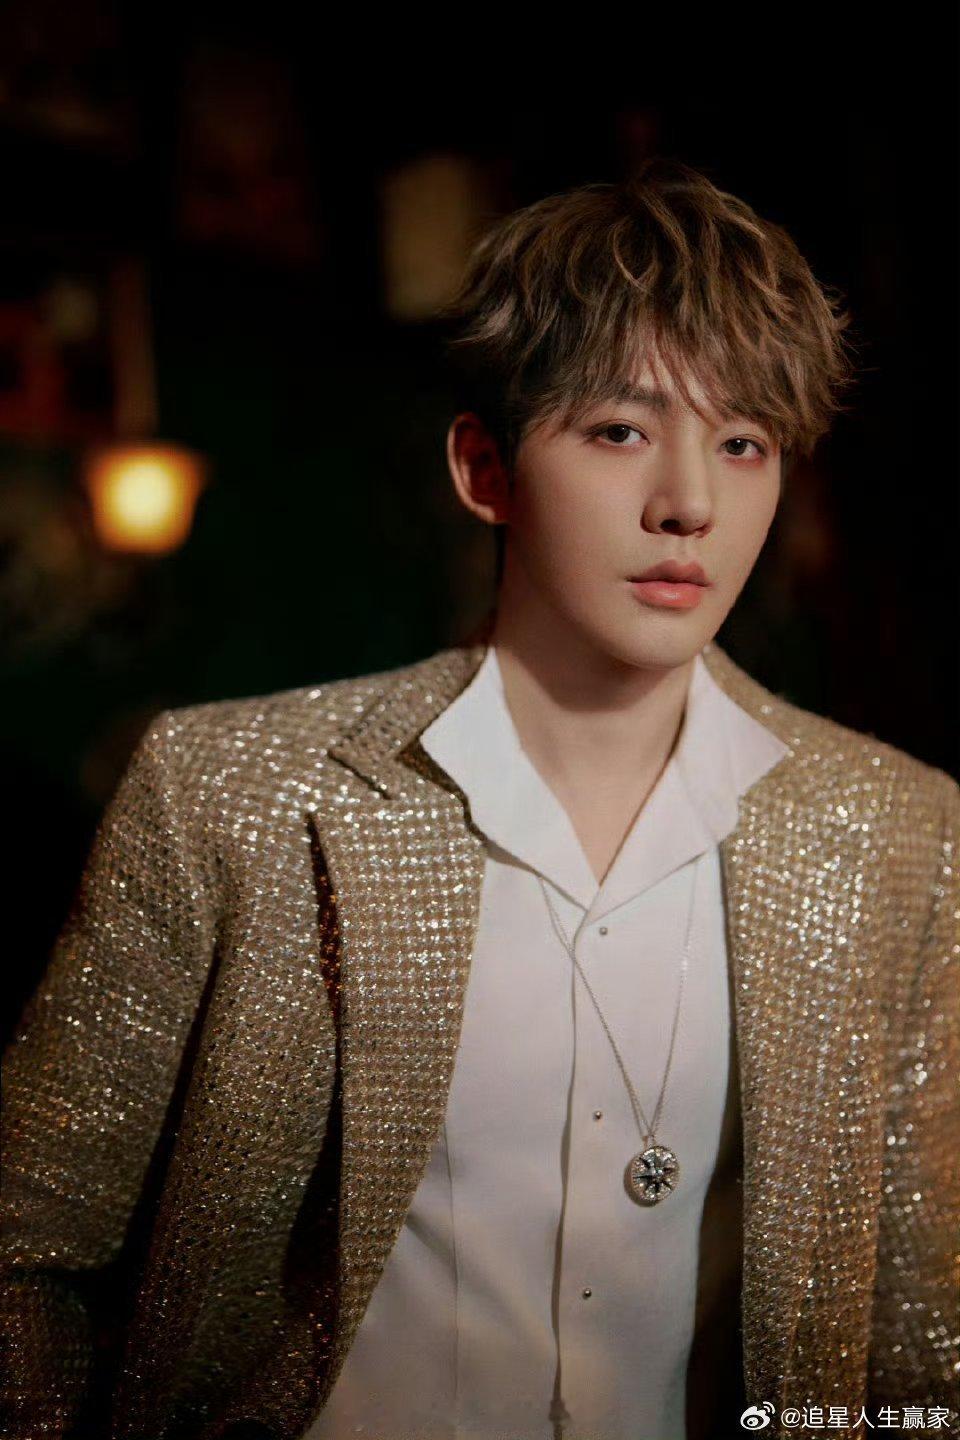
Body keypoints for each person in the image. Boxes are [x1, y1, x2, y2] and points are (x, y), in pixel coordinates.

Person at [2, 157, 957, 1440]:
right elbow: (26, 1248)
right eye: (620, 431)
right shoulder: (227, 796)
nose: (690, 503)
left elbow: (917, 1355)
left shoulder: (896, 832)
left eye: (743, 444)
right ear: (484, 468)